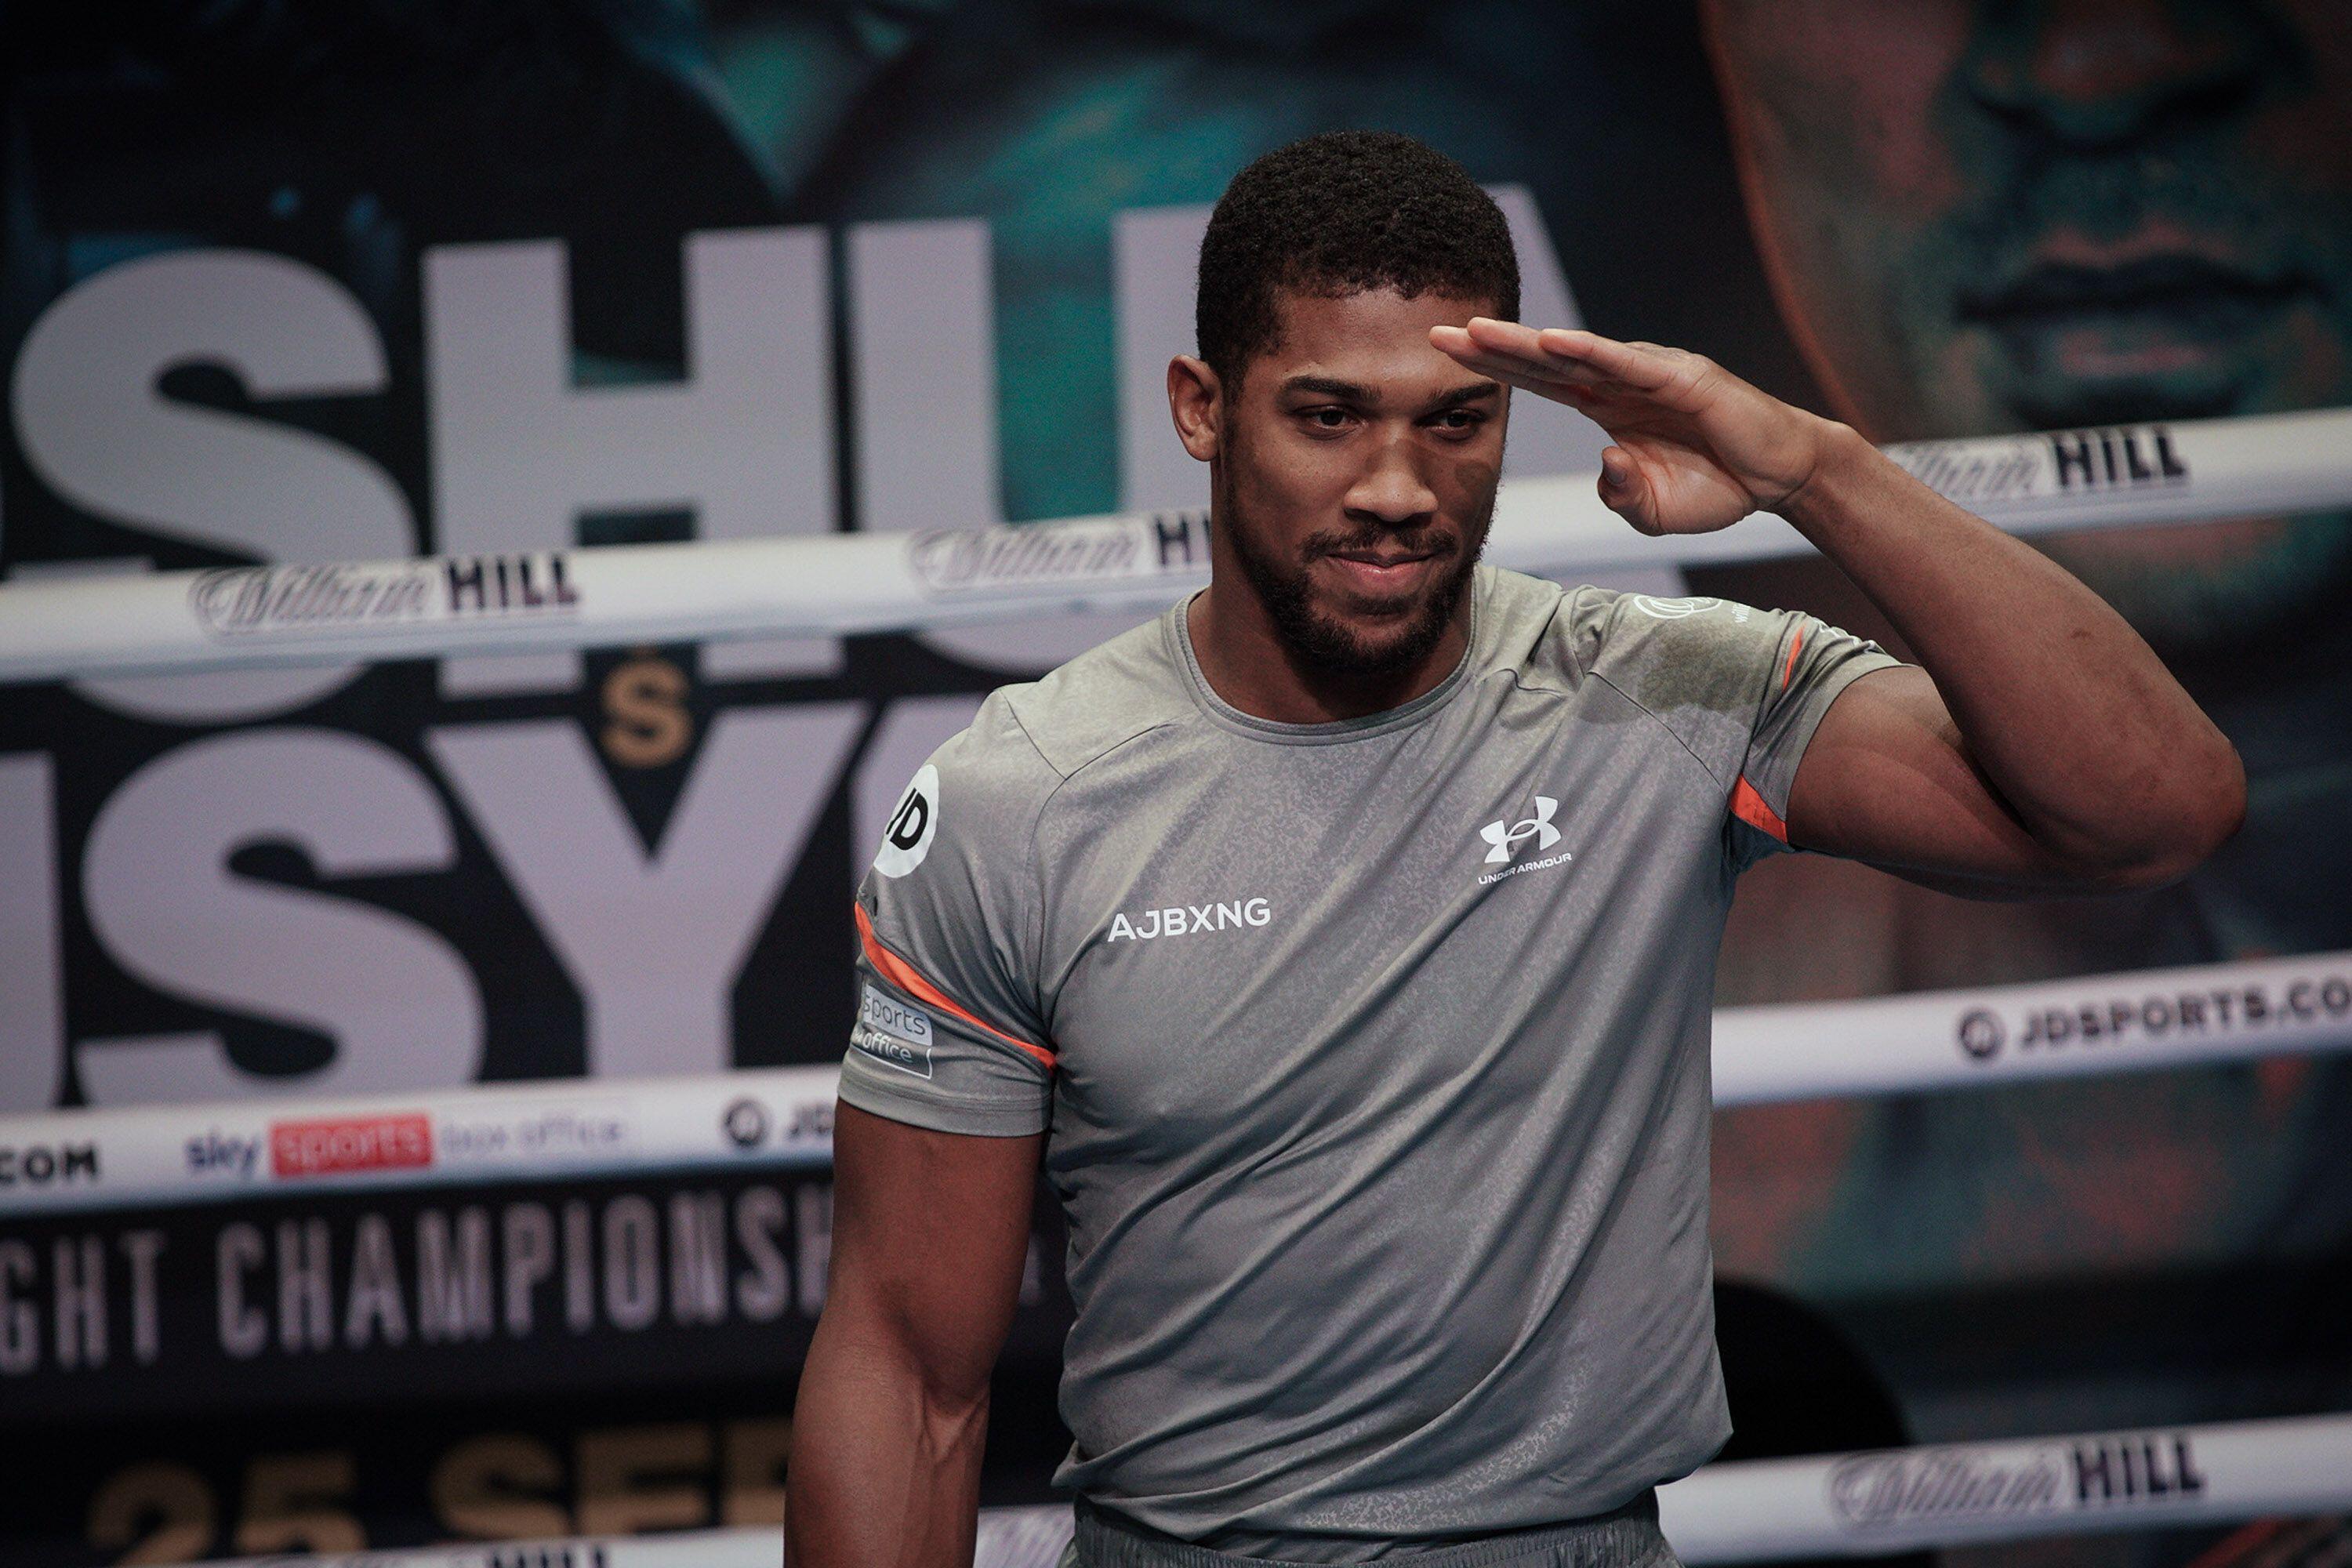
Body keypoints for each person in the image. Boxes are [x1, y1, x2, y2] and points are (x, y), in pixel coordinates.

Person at [783, 132, 2242, 1567]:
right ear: (1202, 408)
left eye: (1456, 421)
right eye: (1330, 416)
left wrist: (1819, 469)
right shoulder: (1022, 800)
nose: (1398, 487)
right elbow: (906, 1374)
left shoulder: (1664, 696)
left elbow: (2154, 809)